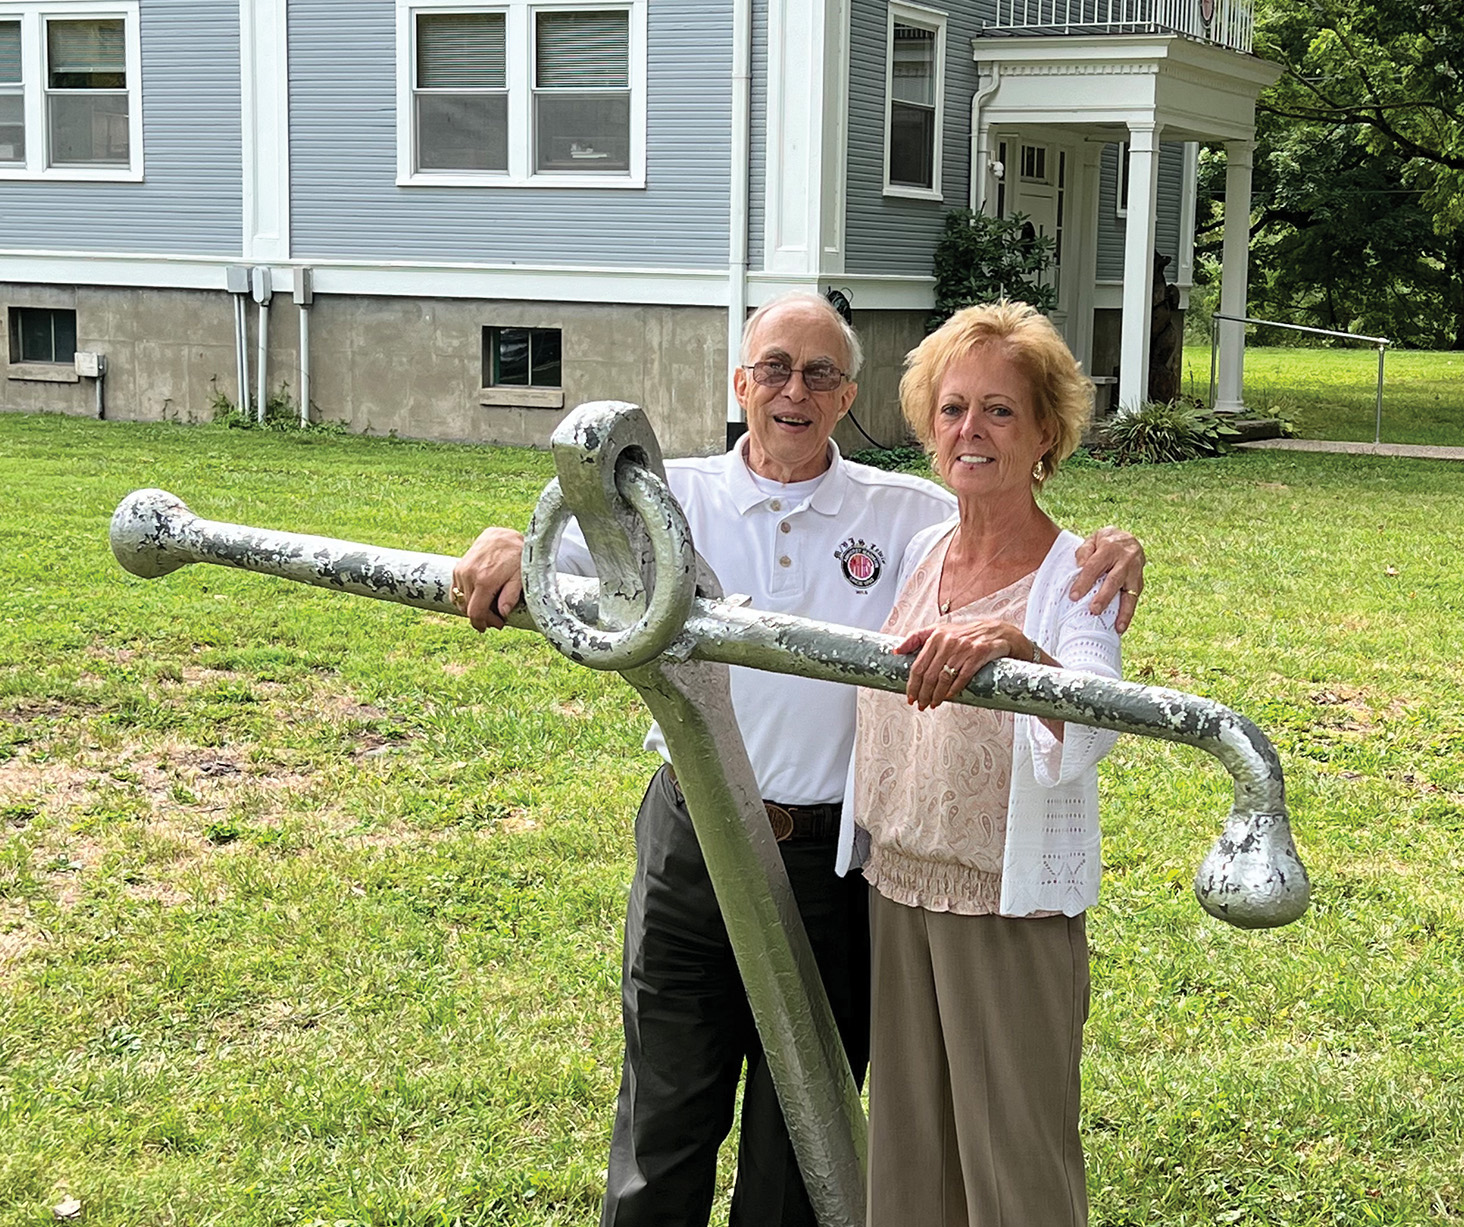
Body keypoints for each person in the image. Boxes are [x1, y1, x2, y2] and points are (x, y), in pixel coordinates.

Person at [451, 292, 1144, 1227]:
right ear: (740, 383)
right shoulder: (679, 499)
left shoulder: (903, 516)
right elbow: (554, 548)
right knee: (679, 1118)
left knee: (822, 1137)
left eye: (821, 373)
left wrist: (1106, 560)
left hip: (846, 873)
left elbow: (1054, 603)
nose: (794, 391)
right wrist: (505, 541)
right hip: (716, 847)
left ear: (848, 393)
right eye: (774, 368)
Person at [840, 300, 1123, 1227]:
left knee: (1015, 1179)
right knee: (911, 1168)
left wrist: (1023, 653)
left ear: (1046, 432)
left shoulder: (1074, 572)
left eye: (1000, 410)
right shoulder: (921, 546)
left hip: (1004, 906)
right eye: (954, 407)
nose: (972, 430)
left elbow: (1093, 721)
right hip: (898, 891)